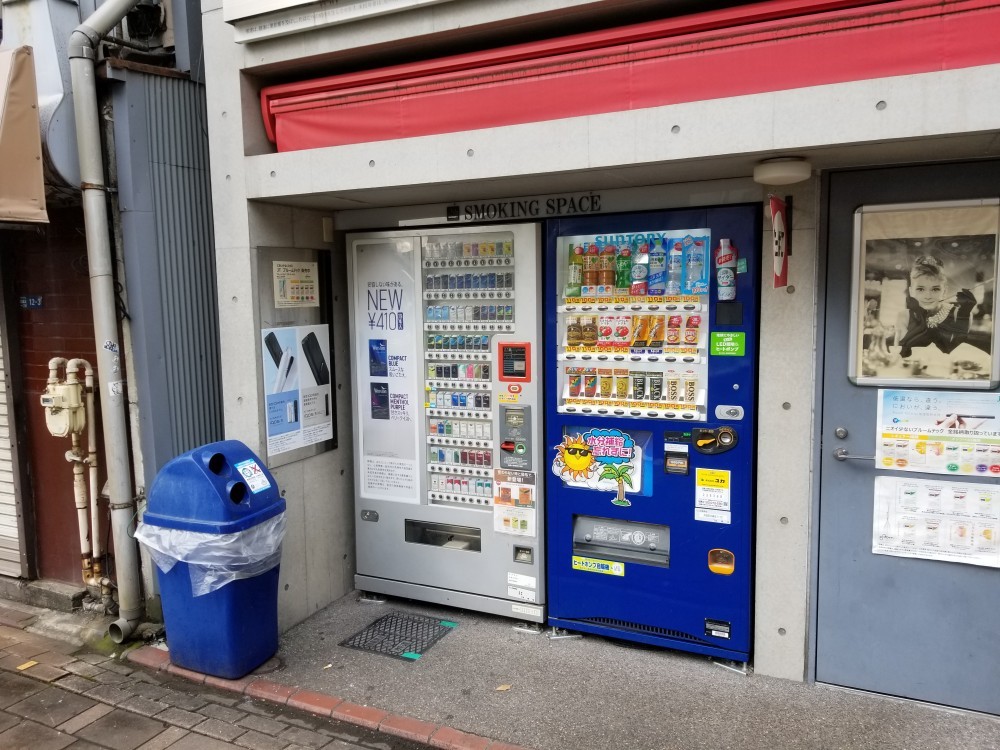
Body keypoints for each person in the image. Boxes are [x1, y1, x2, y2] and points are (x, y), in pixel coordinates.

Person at [894, 255, 991, 358]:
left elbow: (957, 356)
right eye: (920, 289)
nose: (928, 296)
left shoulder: (959, 315)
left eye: (935, 289)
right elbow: (900, 355)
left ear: (944, 291)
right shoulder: (904, 316)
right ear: (911, 291)